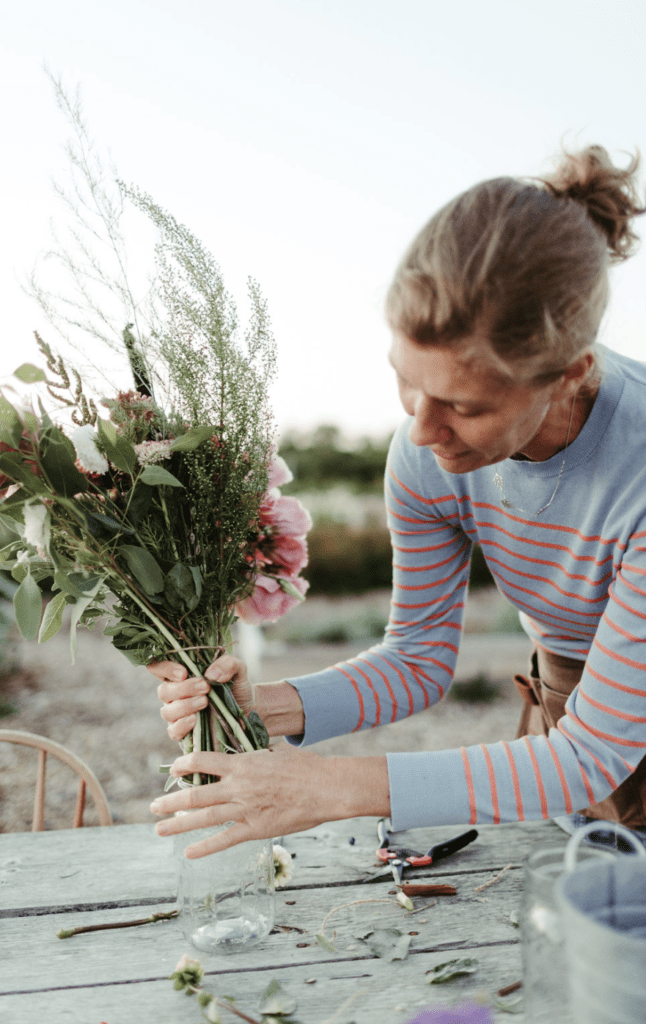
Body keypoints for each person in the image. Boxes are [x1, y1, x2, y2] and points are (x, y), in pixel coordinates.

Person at [148, 144, 646, 858]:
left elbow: (586, 757)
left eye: (463, 405)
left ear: (568, 376)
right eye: (405, 381)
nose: (420, 428)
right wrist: (259, 708)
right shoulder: (424, 455)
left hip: (588, 745)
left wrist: (327, 788)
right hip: (572, 725)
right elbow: (416, 660)